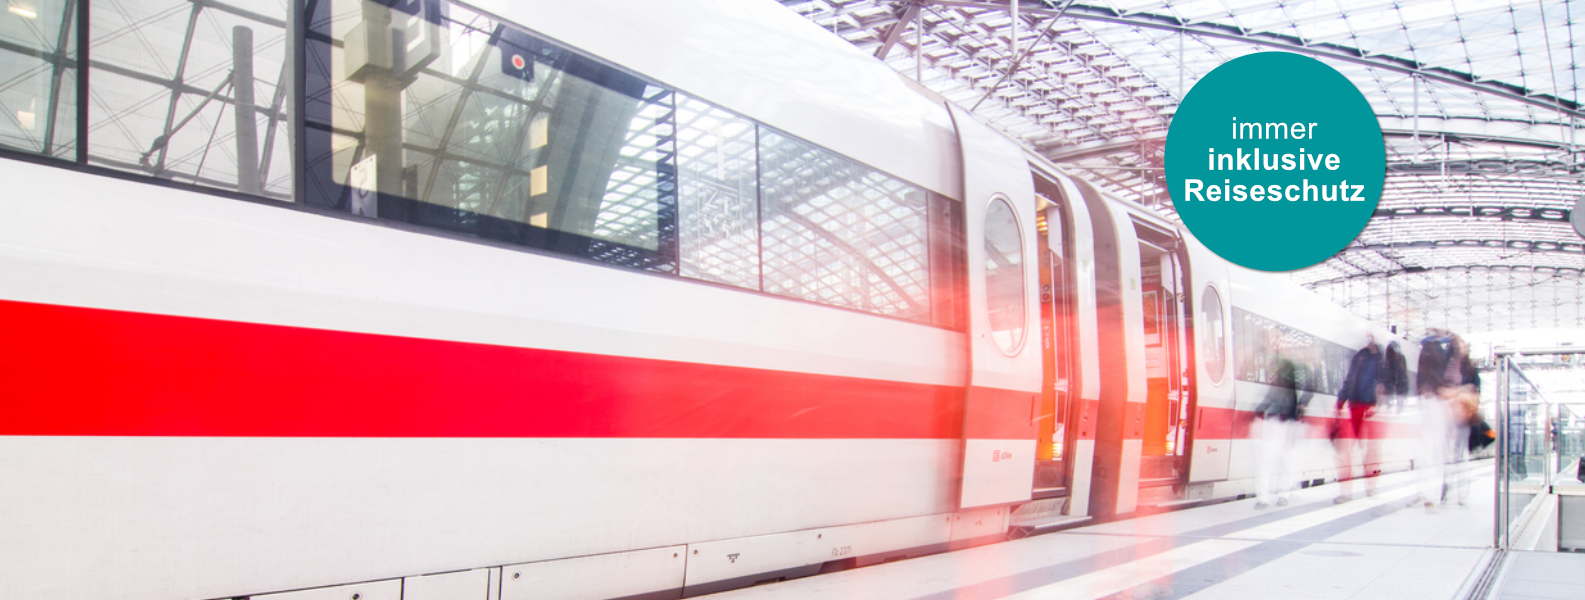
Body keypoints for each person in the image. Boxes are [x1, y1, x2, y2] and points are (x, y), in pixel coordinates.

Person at [1413, 329, 1480, 512]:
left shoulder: (1470, 367)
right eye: (1455, 343)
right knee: (1439, 451)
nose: (1458, 346)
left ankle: (1462, 494)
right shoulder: (1446, 362)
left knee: (1459, 455)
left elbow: (1474, 388)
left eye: (1460, 343)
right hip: (1444, 409)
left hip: (1461, 414)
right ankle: (1438, 494)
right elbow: (1437, 383)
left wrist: (1456, 392)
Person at [1334, 333, 1407, 501]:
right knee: (1346, 448)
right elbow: (1350, 379)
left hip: (1378, 407)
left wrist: (1397, 402)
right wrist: (1341, 400)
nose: (1370, 337)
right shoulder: (1360, 355)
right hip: (1355, 405)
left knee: (1372, 450)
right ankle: (1345, 491)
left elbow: (1401, 379)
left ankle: (1371, 486)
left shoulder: (1389, 356)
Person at [1252, 333, 1313, 509]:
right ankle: (1273, 496)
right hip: (1283, 418)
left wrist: (1260, 410)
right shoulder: (1289, 368)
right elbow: (1274, 392)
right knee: (1280, 458)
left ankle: (1270, 496)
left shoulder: (1296, 368)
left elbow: (1275, 392)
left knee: (1275, 458)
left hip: (1284, 419)